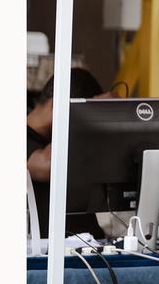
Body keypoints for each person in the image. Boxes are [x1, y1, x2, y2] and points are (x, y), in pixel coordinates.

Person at [27, 68, 110, 239]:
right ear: (57, 104)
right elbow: (47, 166)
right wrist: (87, 116)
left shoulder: (66, 139)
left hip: (90, 246)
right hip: (48, 256)